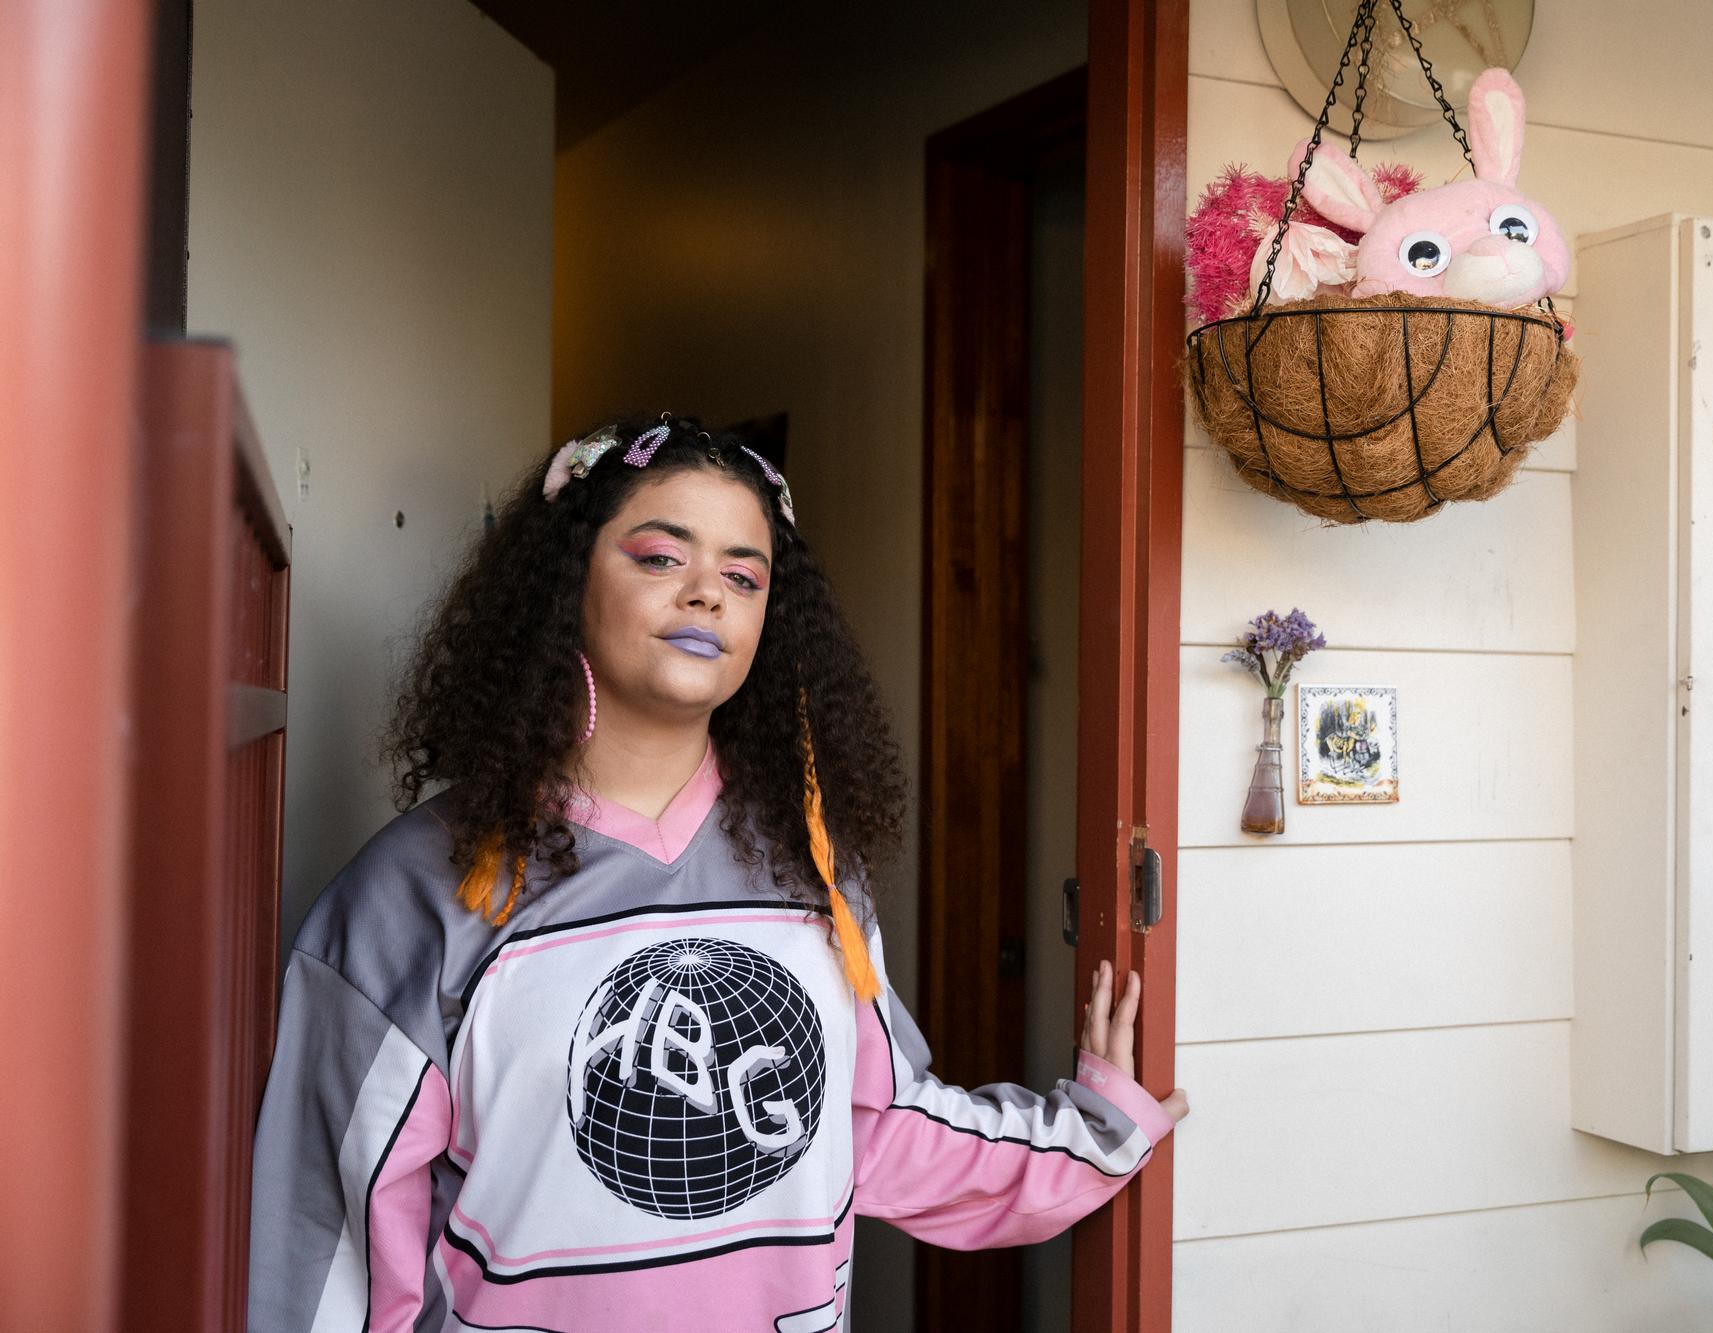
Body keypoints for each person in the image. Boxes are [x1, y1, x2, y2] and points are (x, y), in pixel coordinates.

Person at [247, 413, 1189, 1331]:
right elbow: (331, 1241)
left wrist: (1096, 1126)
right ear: (565, 580)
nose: (708, 594)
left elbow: (877, 1130)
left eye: (744, 575)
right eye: (661, 558)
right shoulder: (411, 891)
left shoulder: (812, 866)